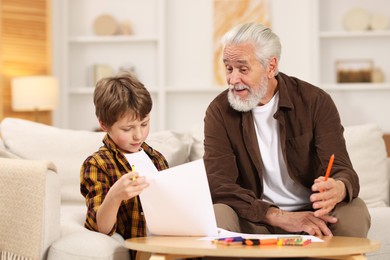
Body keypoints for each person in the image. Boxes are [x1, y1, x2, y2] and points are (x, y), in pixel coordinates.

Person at [203, 22, 370, 237]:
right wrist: (276, 216)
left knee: (354, 212)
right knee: (218, 213)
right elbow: (219, 185)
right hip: (256, 217)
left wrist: (339, 187)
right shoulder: (219, 112)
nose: (233, 79)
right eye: (228, 68)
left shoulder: (315, 102)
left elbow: (343, 170)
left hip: (313, 216)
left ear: (271, 67)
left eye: (243, 69)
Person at [80, 72, 169, 257]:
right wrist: (114, 196)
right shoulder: (98, 164)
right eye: (127, 129)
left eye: (144, 124)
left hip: (173, 242)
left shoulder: (156, 159)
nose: (138, 135)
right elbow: (100, 229)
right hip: (146, 251)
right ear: (104, 125)